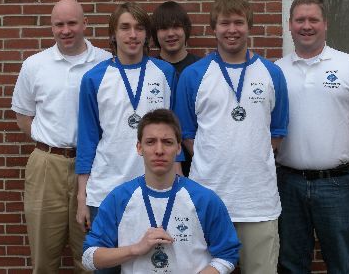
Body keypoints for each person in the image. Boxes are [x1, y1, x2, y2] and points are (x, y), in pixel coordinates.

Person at [175, 0, 289, 274]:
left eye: (239, 22)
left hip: (258, 203)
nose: (232, 30)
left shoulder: (272, 73)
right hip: (208, 200)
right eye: (225, 23)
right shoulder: (194, 75)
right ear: (214, 28)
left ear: (249, 26)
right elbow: (186, 135)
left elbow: (277, 133)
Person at [275, 0, 349, 273]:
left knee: (340, 262)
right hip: (288, 183)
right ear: (290, 25)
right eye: (300, 20)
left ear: (325, 24)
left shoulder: (348, 65)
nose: (306, 25)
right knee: (291, 262)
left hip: (336, 183)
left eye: (313, 19)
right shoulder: (276, 70)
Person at [75, 2, 180, 273]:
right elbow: (88, 140)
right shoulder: (94, 78)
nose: (132, 35)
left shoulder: (165, 73)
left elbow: (174, 135)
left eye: (139, 28)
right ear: (113, 34)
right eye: (125, 28)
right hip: (106, 192)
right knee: (107, 267)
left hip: (154, 189)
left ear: (147, 35)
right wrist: (81, 198)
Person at [11, 0, 112, 273]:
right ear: (52, 27)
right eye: (59, 24)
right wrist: (48, 139)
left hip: (94, 167)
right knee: (44, 256)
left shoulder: (105, 62)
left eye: (72, 23)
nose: (66, 30)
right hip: (47, 165)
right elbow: (23, 115)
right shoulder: (35, 65)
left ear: (85, 24)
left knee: (90, 256)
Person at [82, 109, 241, 273]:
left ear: (178, 148)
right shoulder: (119, 198)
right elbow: (89, 257)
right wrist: (135, 249)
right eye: (150, 142)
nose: (159, 150)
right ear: (139, 147)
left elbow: (227, 254)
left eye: (167, 142)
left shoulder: (204, 199)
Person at [151, 0, 200, 176]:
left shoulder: (202, 69)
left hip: (198, 160)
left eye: (177, 27)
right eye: (164, 28)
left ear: (185, 30)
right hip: (159, 159)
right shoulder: (149, 70)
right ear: (155, 34)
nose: (171, 34)